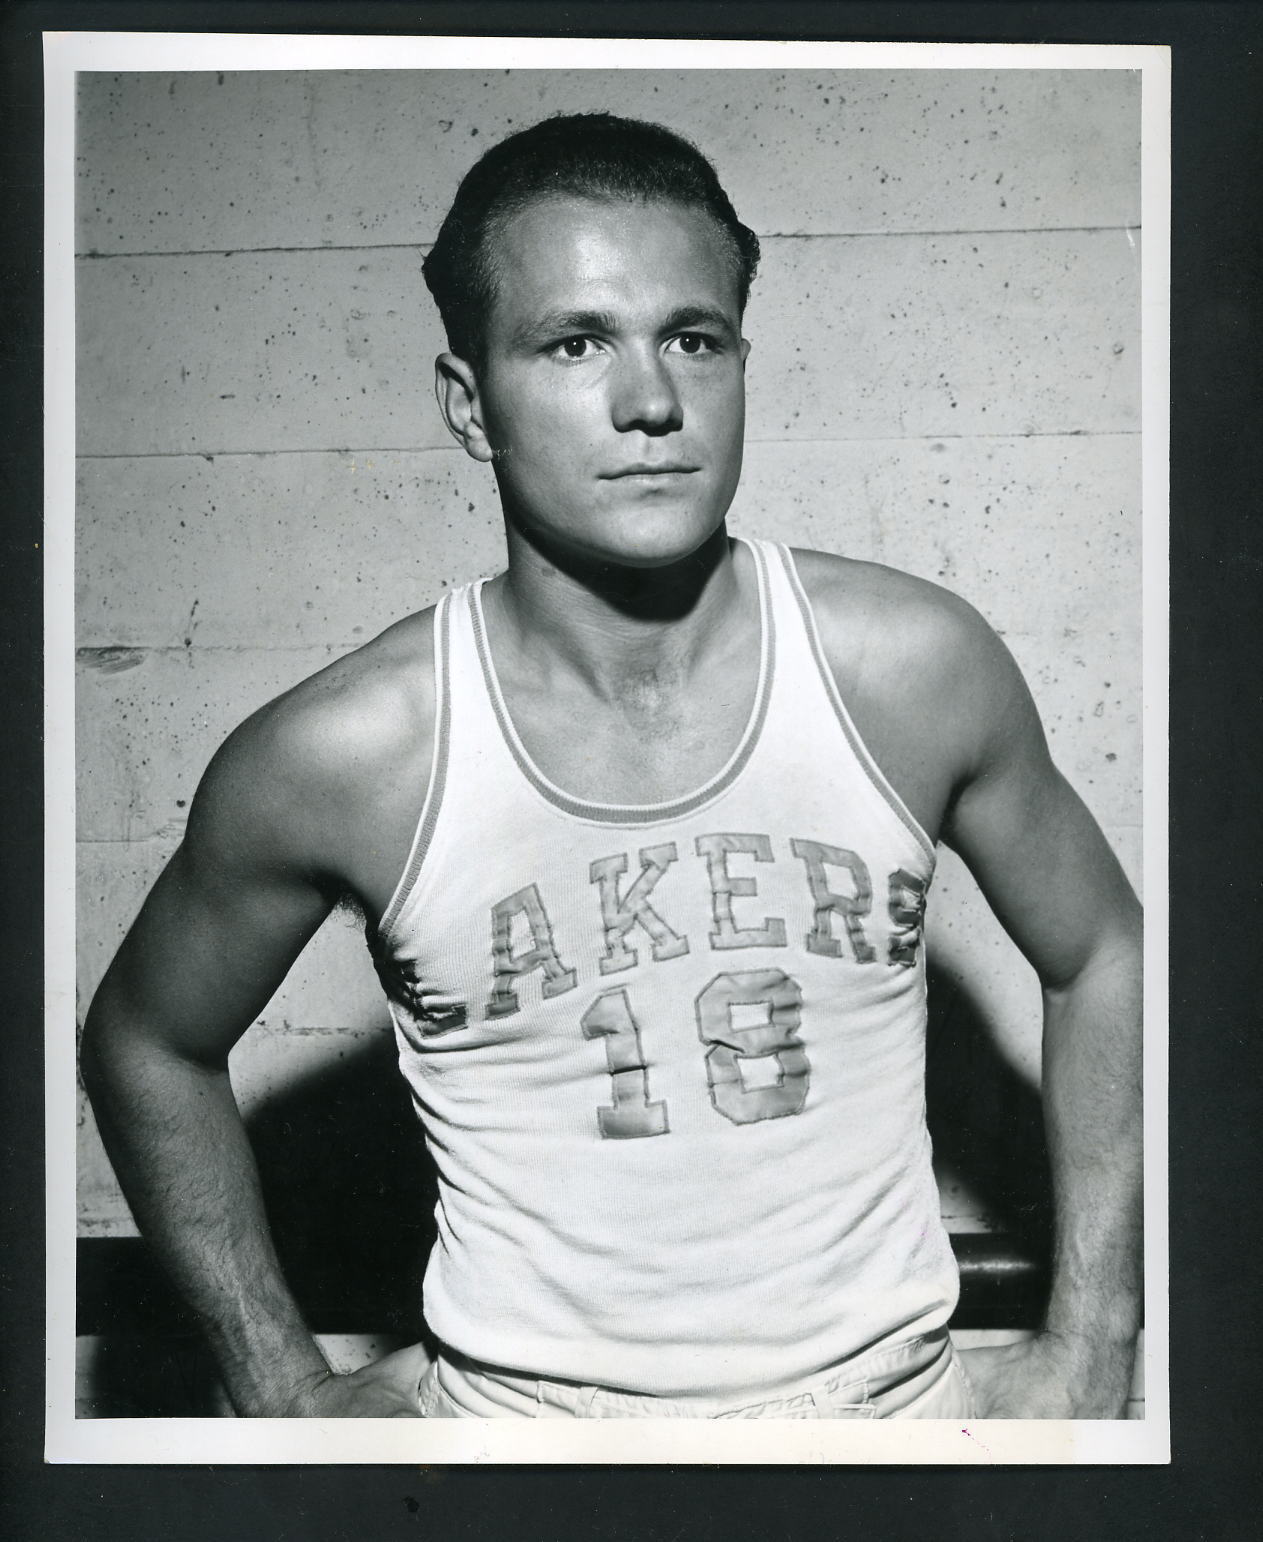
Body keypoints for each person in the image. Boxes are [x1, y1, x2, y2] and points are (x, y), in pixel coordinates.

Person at [80, 113, 1142, 1421]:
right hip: (521, 1464)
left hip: (885, 1440)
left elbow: (1106, 950)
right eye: (575, 342)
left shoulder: (909, 667)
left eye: (692, 339)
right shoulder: (354, 751)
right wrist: (279, 1383)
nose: (651, 403)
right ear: (471, 404)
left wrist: (1095, 1332)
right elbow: (144, 1040)